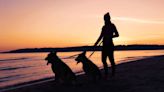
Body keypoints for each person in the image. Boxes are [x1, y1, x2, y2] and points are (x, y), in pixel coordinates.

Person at [94, 12, 119, 77]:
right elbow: (101, 36)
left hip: (110, 45)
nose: (105, 20)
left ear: (109, 18)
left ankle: (113, 73)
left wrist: (110, 36)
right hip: (104, 45)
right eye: (104, 19)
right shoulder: (104, 27)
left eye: (105, 18)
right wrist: (96, 43)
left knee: (111, 60)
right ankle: (106, 74)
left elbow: (117, 34)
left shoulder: (112, 25)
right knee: (103, 60)